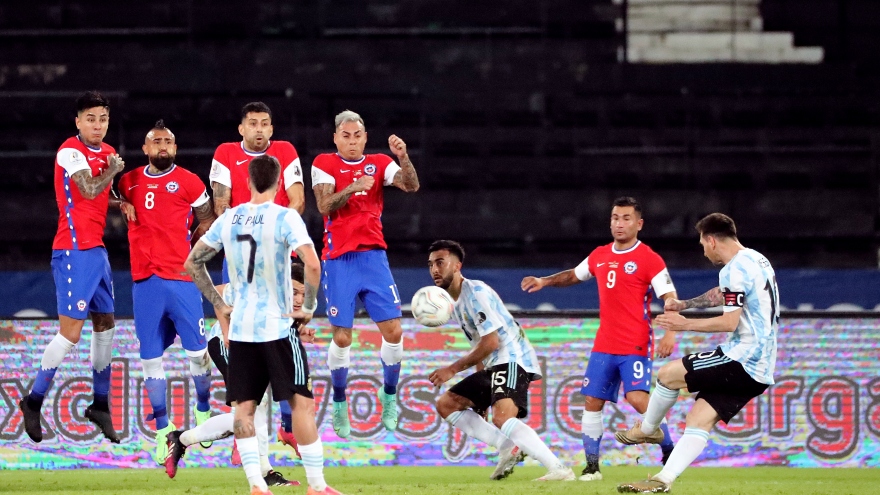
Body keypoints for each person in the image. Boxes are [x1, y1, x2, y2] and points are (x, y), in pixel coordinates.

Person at [185, 155, 342, 495]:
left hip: (241, 330)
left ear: (248, 180)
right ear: (279, 182)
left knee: (245, 407)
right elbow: (312, 265)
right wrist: (310, 307)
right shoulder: (285, 217)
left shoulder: (229, 219)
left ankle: (257, 484)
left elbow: (193, 261)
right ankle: (316, 486)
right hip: (277, 326)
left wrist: (218, 302)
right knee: (301, 402)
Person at [616, 213, 779, 494]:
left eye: (703, 243)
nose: (703, 250)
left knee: (667, 374)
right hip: (761, 368)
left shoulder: (733, 269)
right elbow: (724, 293)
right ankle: (662, 480)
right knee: (699, 420)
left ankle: (648, 428)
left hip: (742, 358)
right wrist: (685, 304)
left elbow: (729, 322)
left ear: (712, 240)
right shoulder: (755, 259)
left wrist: (683, 324)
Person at [521, 197, 678, 481]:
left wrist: (671, 332)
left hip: (635, 342)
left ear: (639, 224)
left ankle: (670, 452)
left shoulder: (649, 259)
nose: (619, 223)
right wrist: (545, 281)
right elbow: (573, 275)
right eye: (615, 217)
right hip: (605, 343)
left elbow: (670, 297)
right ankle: (592, 467)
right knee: (592, 402)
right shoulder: (600, 255)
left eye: (626, 218)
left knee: (637, 398)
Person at [19, 91, 127, 444]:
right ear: (78, 121)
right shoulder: (70, 150)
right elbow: (89, 188)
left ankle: (99, 404)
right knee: (71, 333)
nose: (98, 125)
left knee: (105, 323)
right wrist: (112, 171)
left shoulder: (106, 152)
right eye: (91, 118)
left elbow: (103, 195)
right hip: (73, 248)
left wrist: (124, 201)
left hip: (95, 249)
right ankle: (32, 401)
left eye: (103, 119)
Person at [428, 240, 575, 482]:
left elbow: (491, 343)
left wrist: (452, 369)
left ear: (457, 266)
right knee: (447, 404)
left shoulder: (476, 292)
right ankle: (507, 447)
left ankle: (559, 470)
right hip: (495, 364)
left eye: (440, 262)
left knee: (503, 417)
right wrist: (480, 392)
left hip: (513, 359)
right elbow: (481, 345)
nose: (434, 269)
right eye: (431, 264)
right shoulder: (455, 305)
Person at [311, 110, 419, 438]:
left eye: (357, 135)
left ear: (365, 136)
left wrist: (403, 157)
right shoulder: (323, 163)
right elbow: (325, 206)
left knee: (394, 331)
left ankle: (389, 396)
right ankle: (340, 402)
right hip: (338, 258)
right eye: (346, 135)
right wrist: (354, 186)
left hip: (373, 257)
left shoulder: (380, 162)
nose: (352, 141)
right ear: (335, 138)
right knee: (343, 336)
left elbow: (411, 185)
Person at [116, 120, 218, 464]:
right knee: (149, 359)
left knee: (197, 356)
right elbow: (111, 194)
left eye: (168, 142)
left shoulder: (189, 181)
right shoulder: (127, 181)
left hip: (182, 279)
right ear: (145, 148)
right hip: (145, 282)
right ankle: (163, 428)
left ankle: (202, 408)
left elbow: (207, 216)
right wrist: (120, 203)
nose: (163, 146)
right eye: (156, 141)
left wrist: (194, 247)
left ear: (175, 148)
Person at [164, 262, 312, 488]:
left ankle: (181, 439)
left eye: (303, 293)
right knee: (251, 407)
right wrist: (226, 332)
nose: (299, 299)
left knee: (253, 411)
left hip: (255, 349)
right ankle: (264, 474)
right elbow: (218, 292)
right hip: (227, 345)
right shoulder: (258, 290)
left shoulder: (299, 305)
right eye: (294, 291)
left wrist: (300, 330)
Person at [209, 101, 304, 447]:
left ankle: (285, 424)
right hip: (240, 257)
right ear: (241, 129)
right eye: (253, 123)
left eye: (265, 123)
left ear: (272, 128)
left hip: (279, 258)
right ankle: (245, 418)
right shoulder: (224, 153)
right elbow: (221, 206)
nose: (260, 129)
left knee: (283, 337)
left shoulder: (285, 151)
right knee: (242, 339)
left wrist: (272, 229)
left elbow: (297, 200)